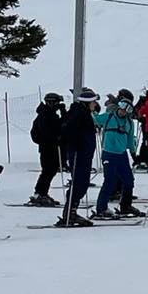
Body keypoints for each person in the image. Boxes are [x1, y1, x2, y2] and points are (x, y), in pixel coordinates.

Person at [92, 90, 143, 219]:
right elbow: (94, 119)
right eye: (123, 107)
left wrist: (133, 154)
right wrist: (92, 110)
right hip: (109, 154)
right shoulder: (109, 116)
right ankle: (101, 208)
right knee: (110, 181)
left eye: (128, 109)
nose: (124, 111)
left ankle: (126, 205)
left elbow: (130, 140)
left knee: (129, 180)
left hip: (122, 155)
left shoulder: (129, 123)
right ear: (119, 106)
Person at [58, 87, 100, 227]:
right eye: (93, 102)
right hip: (79, 153)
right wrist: (75, 146)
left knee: (82, 182)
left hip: (84, 153)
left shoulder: (83, 113)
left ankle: (71, 211)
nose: (95, 104)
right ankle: (70, 212)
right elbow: (69, 131)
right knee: (79, 183)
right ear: (88, 103)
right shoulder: (79, 113)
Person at [28, 92, 65, 206]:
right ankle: (40, 194)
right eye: (57, 103)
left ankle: (42, 193)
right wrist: (54, 139)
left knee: (50, 171)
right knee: (48, 171)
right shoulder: (45, 115)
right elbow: (52, 130)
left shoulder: (49, 114)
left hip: (50, 147)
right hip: (48, 148)